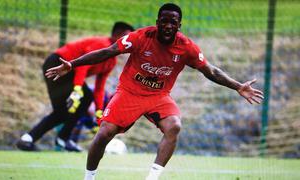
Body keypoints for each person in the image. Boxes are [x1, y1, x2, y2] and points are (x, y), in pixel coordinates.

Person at [45, 3, 264, 180]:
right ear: (158, 22)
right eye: (165, 21)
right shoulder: (140, 37)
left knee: (174, 126)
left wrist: (238, 86)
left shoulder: (186, 47)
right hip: (129, 93)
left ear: (179, 25)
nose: (168, 26)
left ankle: (152, 178)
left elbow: (210, 71)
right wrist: (72, 65)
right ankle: (89, 177)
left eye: (173, 22)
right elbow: (108, 52)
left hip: (158, 97)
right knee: (103, 134)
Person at [16, 21, 134, 152]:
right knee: (85, 97)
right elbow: (82, 65)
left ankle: (27, 139)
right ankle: (64, 139)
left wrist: (99, 113)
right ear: (117, 35)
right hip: (57, 64)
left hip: (69, 72)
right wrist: (77, 90)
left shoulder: (112, 61)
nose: (128, 42)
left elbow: (99, 87)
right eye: (126, 37)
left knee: (61, 112)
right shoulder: (102, 45)